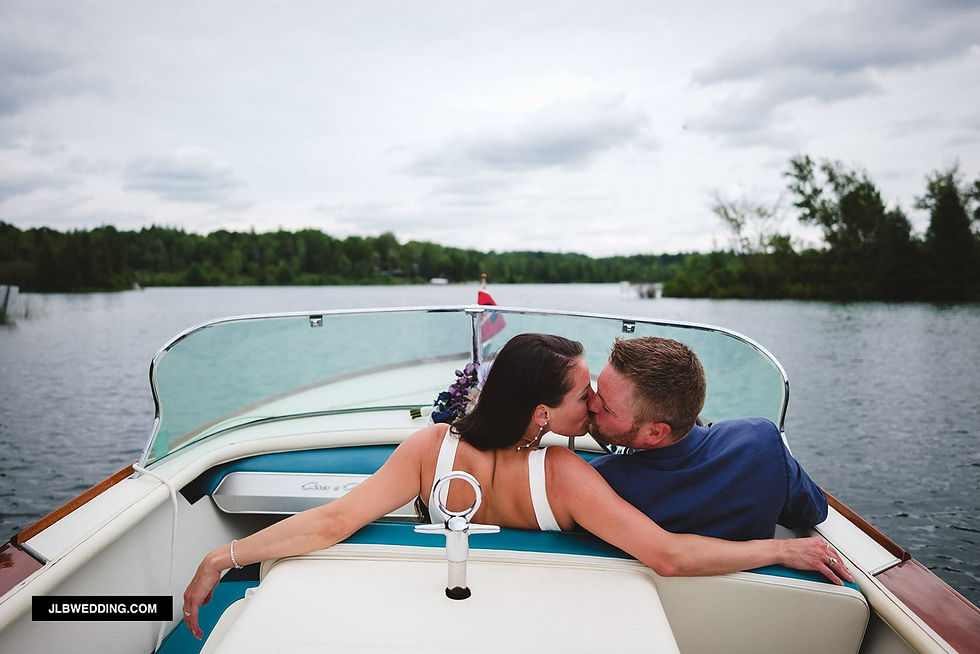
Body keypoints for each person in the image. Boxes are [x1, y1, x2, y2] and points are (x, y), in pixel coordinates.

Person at [183, 333, 850, 640]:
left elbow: (332, 523)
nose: (592, 406)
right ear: (542, 414)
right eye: (584, 395)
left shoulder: (425, 449)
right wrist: (781, 550)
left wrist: (223, 555)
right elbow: (668, 554)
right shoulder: (567, 477)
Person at [588, 336, 828, 541]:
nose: (591, 403)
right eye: (597, 390)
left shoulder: (600, 481)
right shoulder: (761, 444)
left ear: (656, 432)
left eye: (605, 407)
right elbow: (815, 511)